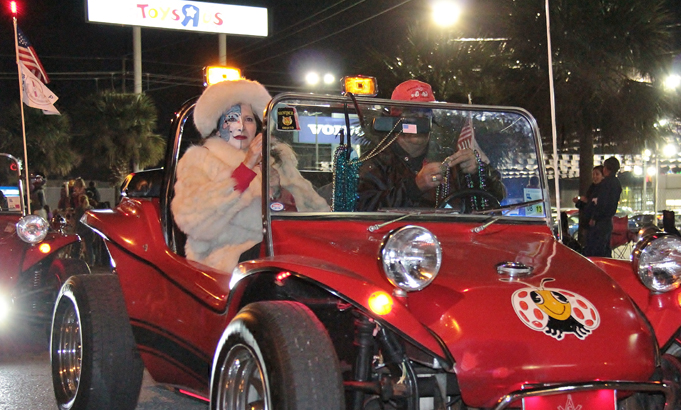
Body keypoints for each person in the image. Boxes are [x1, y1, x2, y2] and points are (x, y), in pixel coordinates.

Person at [172, 78, 327, 273]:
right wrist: (246, 169)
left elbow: (312, 212)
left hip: (283, 253)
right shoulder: (200, 160)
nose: (241, 127)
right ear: (218, 129)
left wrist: (278, 192)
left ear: (257, 127)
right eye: (231, 119)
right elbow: (192, 220)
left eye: (248, 119)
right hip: (224, 262)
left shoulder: (277, 160)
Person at [357, 79, 504, 211]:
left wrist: (479, 172)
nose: (420, 121)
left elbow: (497, 198)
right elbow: (360, 207)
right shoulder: (376, 163)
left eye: (426, 114)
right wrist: (414, 187)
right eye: (413, 115)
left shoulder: (450, 161)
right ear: (395, 121)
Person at [583, 156, 622, 257]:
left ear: (606, 169)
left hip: (600, 222)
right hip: (607, 221)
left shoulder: (606, 184)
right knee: (604, 248)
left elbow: (602, 203)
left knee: (596, 249)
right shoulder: (616, 183)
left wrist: (594, 217)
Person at [572, 165, 603, 246]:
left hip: (596, 224)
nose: (594, 177)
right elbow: (586, 206)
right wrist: (578, 202)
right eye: (593, 174)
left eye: (597, 174)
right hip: (587, 222)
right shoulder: (592, 187)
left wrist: (587, 201)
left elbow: (597, 205)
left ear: (602, 176)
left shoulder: (603, 189)